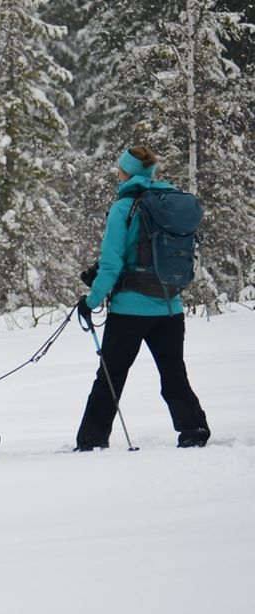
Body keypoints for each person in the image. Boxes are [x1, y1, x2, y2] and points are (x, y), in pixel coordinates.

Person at [74, 147, 210, 450]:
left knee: (110, 376)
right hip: (170, 307)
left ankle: (92, 440)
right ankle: (195, 430)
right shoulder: (168, 204)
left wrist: (90, 301)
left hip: (129, 311)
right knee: (174, 374)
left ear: (126, 173)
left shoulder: (124, 208)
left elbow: (112, 265)